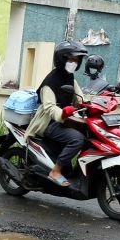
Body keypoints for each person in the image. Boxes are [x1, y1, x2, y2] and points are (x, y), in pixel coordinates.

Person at [26, 40, 88, 187]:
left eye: (77, 60)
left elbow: (81, 98)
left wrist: (94, 105)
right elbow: (49, 108)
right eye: (72, 59)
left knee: (90, 135)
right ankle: (56, 171)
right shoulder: (50, 82)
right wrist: (64, 113)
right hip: (49, 123)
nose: (75, 62)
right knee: (77, 139)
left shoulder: (70, 77)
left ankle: (73, 170)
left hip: (67, 120)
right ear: (62, 59)